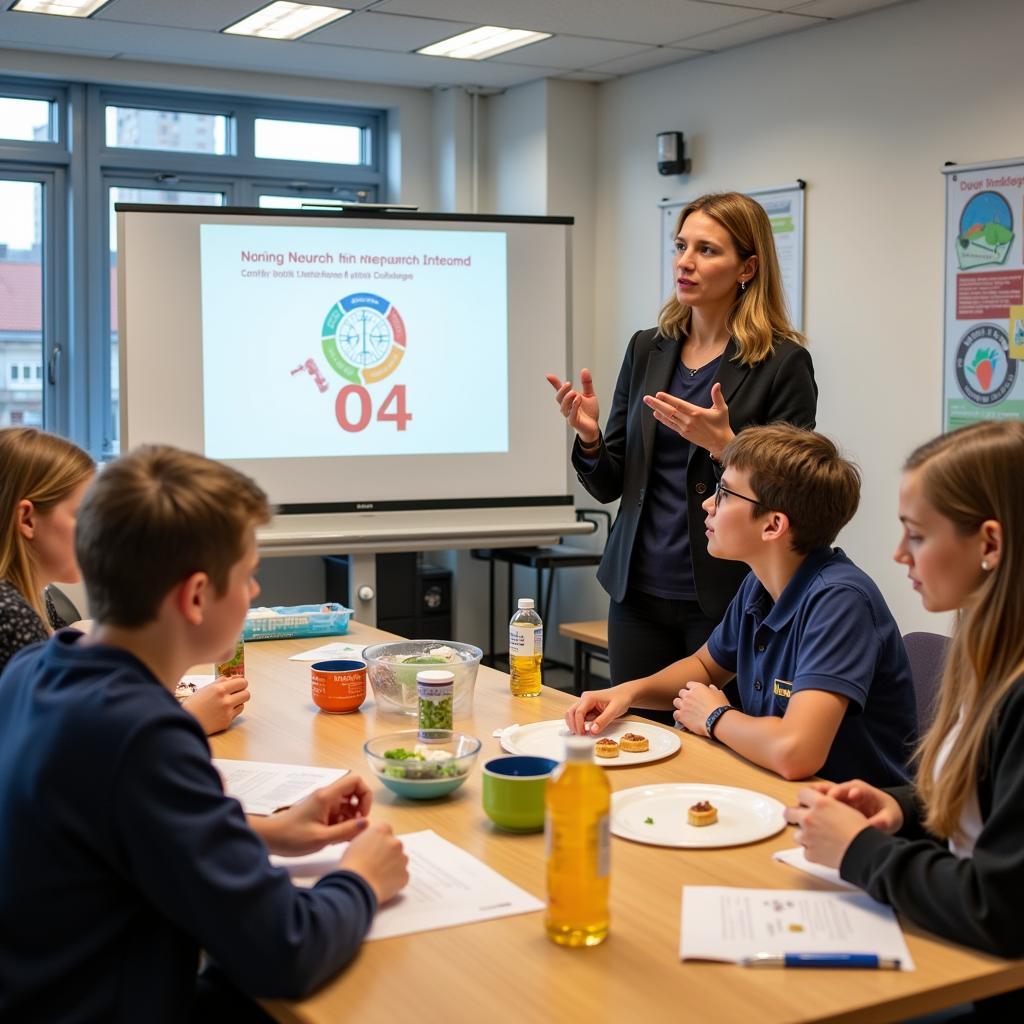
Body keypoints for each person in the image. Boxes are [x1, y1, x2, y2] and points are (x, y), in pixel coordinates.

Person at [0, 445, 409, 1022]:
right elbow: (283, 949)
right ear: (195, 597)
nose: (256, 592)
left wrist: (267, 831)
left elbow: (114, 824)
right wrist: (361, 880)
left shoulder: (33, 671)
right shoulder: (142, 736)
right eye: (246, 576)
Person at [786, 421, 1024, 997]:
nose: (898, 555)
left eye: (916, 536)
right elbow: (991, 806)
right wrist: (900, 809)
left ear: (990, 544)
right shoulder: (988, 653)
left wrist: (861, 851)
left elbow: (1000, 909)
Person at [547, 191, 817, 692]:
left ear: (748, 267)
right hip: (637, 593)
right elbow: (610, 484)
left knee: (711, 747)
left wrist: (727, 446)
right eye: (680, 246)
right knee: (633, 735)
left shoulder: (783, 363)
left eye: (707, 250)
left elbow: (795, 499)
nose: (685, 263)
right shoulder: (647, 347)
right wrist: (589, 440)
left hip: (727, 596)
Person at [565, 425, 917, 787]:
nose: (707, 503)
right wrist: (626, 693)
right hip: (780, 791)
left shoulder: (840, 602)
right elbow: (705, 666)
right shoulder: (759, 585)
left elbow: (797, 752)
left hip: (857, 821)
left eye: (725, 493)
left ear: (773, 525)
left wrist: (716, 715)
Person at [0, 426, 251, 735]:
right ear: (26, 520)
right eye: (81, 515)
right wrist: (187, 720)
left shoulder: (36, 598)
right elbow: (54, 745)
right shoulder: (9, 615)